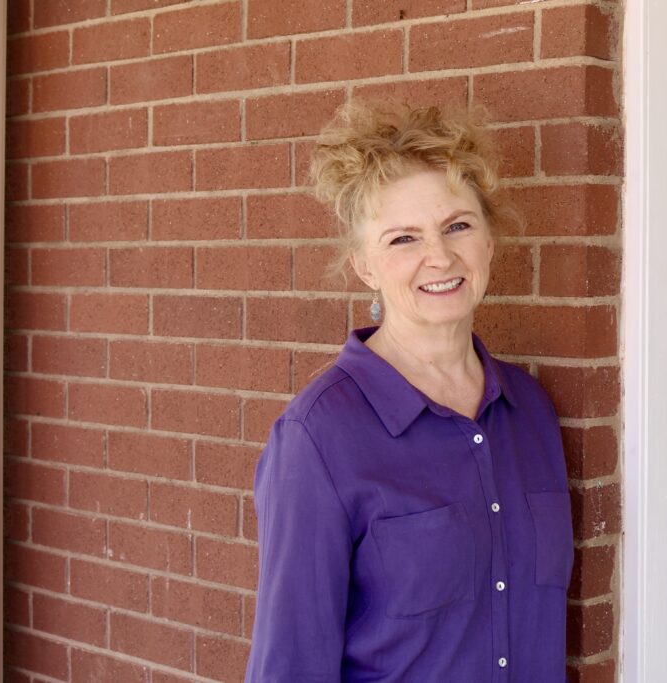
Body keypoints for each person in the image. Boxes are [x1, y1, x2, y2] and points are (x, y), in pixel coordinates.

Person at [244, 102, 573, 682]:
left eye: (458, 226)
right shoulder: (318, 438)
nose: (440, 256)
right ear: (364, 266)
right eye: (403, 238)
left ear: (489, 243)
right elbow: (290, 664)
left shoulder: (530, 412)